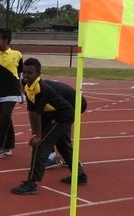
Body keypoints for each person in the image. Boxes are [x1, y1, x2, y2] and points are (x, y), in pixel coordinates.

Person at [10, 58, 89, 195]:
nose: (26, 76)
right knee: (62, 144)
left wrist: (37, 136)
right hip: (55, 110)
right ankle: (79, 175)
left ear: (39, 73)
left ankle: (31, 183)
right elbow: (32, 112)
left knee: (40, 145)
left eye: (30, 73)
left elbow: (36, 113)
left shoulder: (41, 88)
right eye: (24, 73)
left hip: (70, 108)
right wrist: (36, 134)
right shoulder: (27, 85)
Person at [0, 28, 23, 158]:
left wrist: (23, 94)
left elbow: (21, 75)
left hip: (12, 92)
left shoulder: (17, 54)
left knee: (5, 117)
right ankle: (8, 146)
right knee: (5, 119)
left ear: (6, 40)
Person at [41, 78, 88, 179]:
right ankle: (75, 168)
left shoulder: (42, 90)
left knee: (60, 137)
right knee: (60, 136)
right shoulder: (38, 87)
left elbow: (42, 118)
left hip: (74, 104)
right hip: (67, 104)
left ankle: (53, 157)